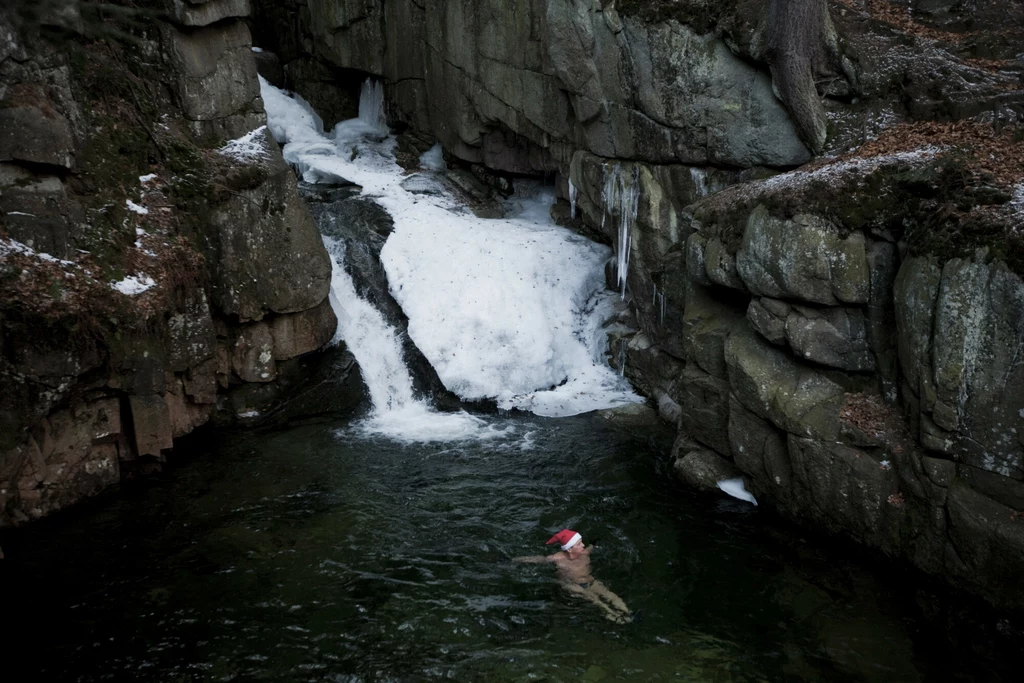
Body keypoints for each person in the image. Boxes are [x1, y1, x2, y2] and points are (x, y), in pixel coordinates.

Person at [514, 528, 632, 624]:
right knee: (593, 598)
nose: (583, 545)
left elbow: (591, 546)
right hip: (571, 584)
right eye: (579, 543)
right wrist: (517, 560)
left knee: (609, 595)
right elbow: (540, 559)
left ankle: (628, 613)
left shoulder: (585, 553)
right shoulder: (557, 559)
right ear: (570, 549)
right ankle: (612, 615)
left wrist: (595, 542)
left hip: (590, 581)